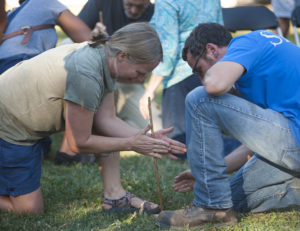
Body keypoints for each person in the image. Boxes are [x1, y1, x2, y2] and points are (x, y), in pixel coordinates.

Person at [0, 22, 186, 214]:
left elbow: (106, 120)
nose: (141, 80)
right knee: (29, 209)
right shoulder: (85, 74)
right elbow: (78, 143)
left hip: (23, 123)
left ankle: (115, 196)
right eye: (140, 73)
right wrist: (131, 144)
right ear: (123, 55)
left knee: (103, 128)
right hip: (9, 126)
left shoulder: (105, 57)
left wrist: (149, 139)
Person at [156, 23, 300, 229]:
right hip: (293, 140)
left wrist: (216, 87)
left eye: (198, 70)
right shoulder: (255, 70)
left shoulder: (246, 41)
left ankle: (212, 207)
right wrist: (206, 173)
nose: (200, 78)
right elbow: (262, 142)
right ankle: (217, 202)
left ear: (211, 50)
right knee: (233, 197)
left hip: (295, 139)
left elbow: (214, 85)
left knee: (199, 99)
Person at [55, 0, 162, 164]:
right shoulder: (101, 3)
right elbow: (77, 37)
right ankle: (72, 142)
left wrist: (146, 138)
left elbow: (107, 120)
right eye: (129, 5)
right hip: (100, 70)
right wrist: (94, 36)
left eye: (141, 7)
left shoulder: (156, 13)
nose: (134, 11)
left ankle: (112, 128)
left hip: (127, 82)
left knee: (155, 128)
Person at [139, 0, 239, 160]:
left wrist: (149, 91)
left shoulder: (167, 2)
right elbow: (220, 33)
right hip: (213, 70)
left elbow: (169, 48)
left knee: (178, 146)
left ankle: (245, 151)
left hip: (181, 75)